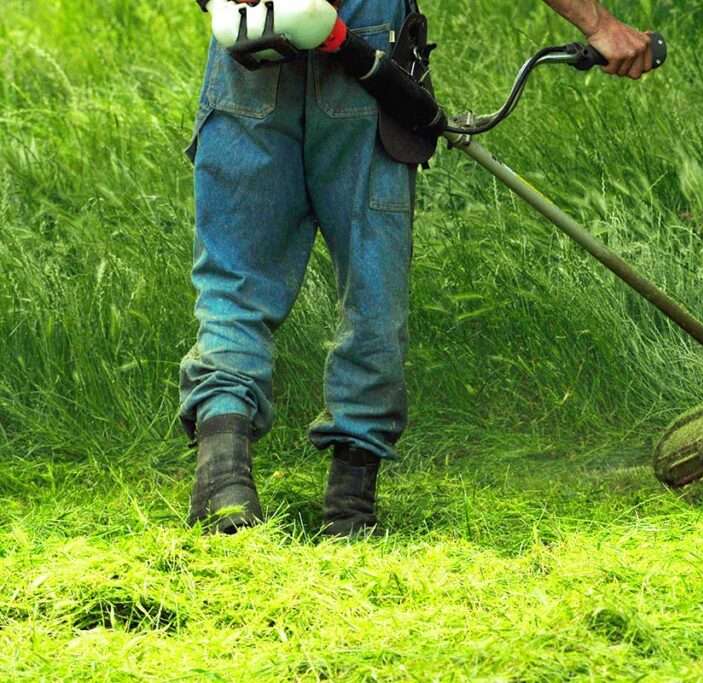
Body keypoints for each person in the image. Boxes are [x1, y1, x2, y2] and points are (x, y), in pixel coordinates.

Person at [181, 0, 657, 536]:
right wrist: (599, 26)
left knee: (236, 283)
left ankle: (225, 487)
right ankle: (348, 509)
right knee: (373, 288)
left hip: (254, 38)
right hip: (356, 45)